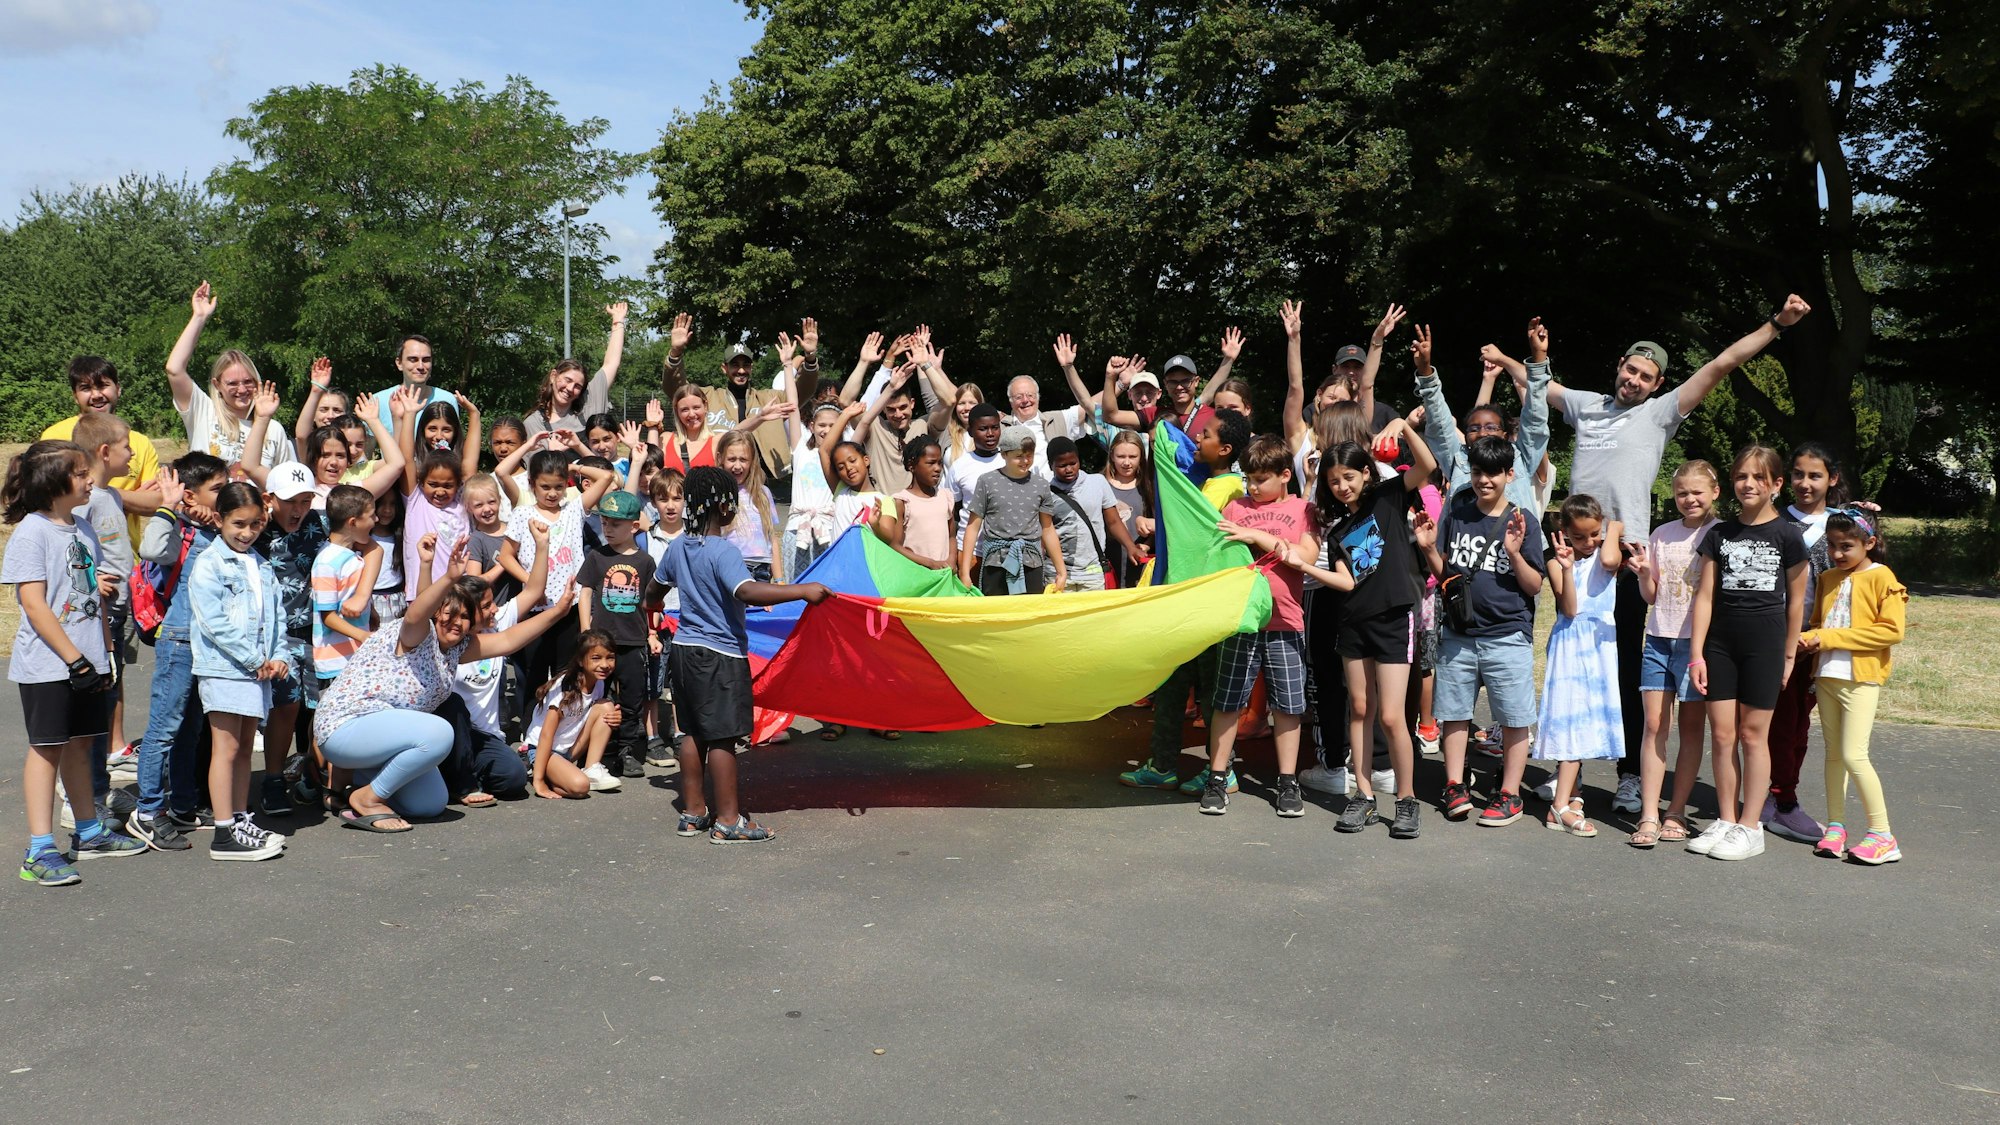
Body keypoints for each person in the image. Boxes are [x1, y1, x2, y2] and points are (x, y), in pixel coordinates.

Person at [1547, 293, 1813, 816]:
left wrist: (1777, 324)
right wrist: (1510, 359)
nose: (1634, 379)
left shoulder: (1659, 413)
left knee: (1629, 668)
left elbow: (1722, 364)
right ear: (1619, 366)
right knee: (1576, 663)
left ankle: (1629, 775)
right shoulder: (1586, 405)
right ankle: (1567, 778)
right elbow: (1536, 383)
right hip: (1577, 554)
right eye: (1630, 369)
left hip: (1629, 555)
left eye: (1646, 376)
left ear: (1658, 383)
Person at [314, 537, 576, 832]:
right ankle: (368, 799)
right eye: (450, 613)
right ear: (436, 612)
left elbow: (506, 640)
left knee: (429, 803)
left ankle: (354, 786)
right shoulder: (417, 633)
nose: (456, 622)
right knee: (439, 732)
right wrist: (449, 576)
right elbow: (416, 613)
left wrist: (558, 611)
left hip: (380, 741)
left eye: (465, 616)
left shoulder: (456, 647)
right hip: (346, 727)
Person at [651, 466, 832, 842]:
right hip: (720, 656)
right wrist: (801, 591)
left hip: (684, 651)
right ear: (724, 508)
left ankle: (693, 812)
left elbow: (653, 591)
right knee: (722, 738)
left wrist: (652, 611)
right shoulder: (724, 551)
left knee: (693, 733)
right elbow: (746, 591)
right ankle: (729, 821)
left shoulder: (678, 546)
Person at [5, 440, 143, 885]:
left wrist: (105, 653)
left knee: (82, 745)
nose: (89, 482)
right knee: (47, 749)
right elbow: (34, 604)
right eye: (81, 474)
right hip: (50, 666)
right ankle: (39, 850)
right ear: (54, 481)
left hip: (89, 660)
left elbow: (92, 596)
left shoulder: (82, 527)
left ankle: (89, 832)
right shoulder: (32, 532)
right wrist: (75, 660)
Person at [1322, 392, 1438, 838]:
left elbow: (1427, 466)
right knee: (1359, 708)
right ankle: (1364, 796)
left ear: (1366, 473)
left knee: (1391, 716)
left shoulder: (1390, 496)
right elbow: (1346, 581)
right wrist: (1299, 562)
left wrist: (1403, 426)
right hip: (1353, 624)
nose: (1342, 486)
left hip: (1393, 617)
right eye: (1334, 481)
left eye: (1349, 476)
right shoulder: (1338, 531)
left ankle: (1406, 799)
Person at [1687, 445, 1810, 862]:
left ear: (1777, 484)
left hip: (1766, 646)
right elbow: (1705, 597)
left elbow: (1796, 602)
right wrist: (1697, 654)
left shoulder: (1788, 536)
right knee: (1722, 735)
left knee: (1752, 735)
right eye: (1742, 476)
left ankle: (1750, 825)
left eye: (1759, 477)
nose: (1749, 484)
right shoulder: (1718, 534)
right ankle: (1726, 819)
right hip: (1720, 645)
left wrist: (1788, 655)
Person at [1200, 435, 1334, 817]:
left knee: (1288, 706)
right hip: (1240, 622)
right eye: (1249, 479)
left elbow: (1304, 557)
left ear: (1285, 475)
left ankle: (1287, 782)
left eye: (1261, 479)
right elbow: (1212, 553)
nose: (1253, 487)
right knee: (1228, 702)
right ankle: (1217, 777)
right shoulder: (1234, 507)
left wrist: (1256, 536)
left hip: (1285, 621)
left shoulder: (1303, 510)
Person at [1416, 435, 1546, 828]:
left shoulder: (1524, 521)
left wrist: (1513, 553)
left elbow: (1534, 586)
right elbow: (1446, 574)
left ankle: (1509, 793)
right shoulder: (1457, 513)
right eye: (1477, 472)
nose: (1483, 480)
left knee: (1513, 718)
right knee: (1454, 714)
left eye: (1493, 473)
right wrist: (1428, 548)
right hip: (1459, 633)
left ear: (1510, 475)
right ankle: (1454, 784)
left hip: (1507, 634)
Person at [1118, 407, 1249, 793]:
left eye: (1205, 435)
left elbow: (1193, 529)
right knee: (1174, 686)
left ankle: (1220, 769)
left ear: (1224, 449)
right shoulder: (1211, 481)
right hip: (1189, 601)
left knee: (1208, 691)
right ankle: (1164, 765)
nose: (1196, 441)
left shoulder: (1228, 488)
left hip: (1205, 603)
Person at [125, 453, 229, 853]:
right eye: (217, 489)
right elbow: (152, 550)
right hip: (179, 640)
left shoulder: (217, 528)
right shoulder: (179, 529)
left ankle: (183, 805)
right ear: (191, 494)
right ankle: (148, 811)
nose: (224, 494)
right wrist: (169, 507)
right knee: (164, 728)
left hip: (206, 644)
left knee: (190, 730)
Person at [1796, 508, 1907, 865]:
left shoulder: (1882, 576)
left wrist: (1827, 638)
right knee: (1833, 755)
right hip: (1827, 677)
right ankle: (1836, 827)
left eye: (1846, 546)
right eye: (1832, 545)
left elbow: (1891, 631)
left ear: (1869, 543)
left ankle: (1883, 835)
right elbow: (1819, 623)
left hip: (1861, 679)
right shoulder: (1828, 578)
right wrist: (1809, 640)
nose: (1837, 553)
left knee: (1854, 755)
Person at [188, 481, 289, 861]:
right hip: (225, 669)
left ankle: (241, 818)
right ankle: (224, 831)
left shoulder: (261, 564)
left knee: (246, 747)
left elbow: (276, 617)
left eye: (255, 524)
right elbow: (212, 621)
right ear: (219, 520)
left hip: (257, 671)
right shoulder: (209, 563)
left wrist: (279, 655)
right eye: (238, 524)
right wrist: (253, 658)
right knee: (226, 748)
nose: (247, 533)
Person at [1763, 442, 1852, 844]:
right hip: (1778, 640)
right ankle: (1780, 801)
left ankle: (1778, 795)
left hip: (1823, 643)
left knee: (1801, 726)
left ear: (1832, 479)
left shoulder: (1845, 525)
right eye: (1798, 474)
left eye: (1815, 475)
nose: (1805, 483)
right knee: (1779, 726)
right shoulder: (1774, 520)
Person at [1632, 460, 1721, 848]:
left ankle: (1676, 811)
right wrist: (1642, 574)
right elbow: (1652, 595)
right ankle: (1649, 813)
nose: (1690, 499)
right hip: (1657, 639)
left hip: (1696, 645)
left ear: (1715, 492)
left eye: (1697, 492)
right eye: (1682, 493)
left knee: (1690, 728)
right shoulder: (1662, 534)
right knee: (1654, 726)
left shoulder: (1721, 533)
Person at [498, 444, 617, 710]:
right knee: (534, 674)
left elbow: (606, 476)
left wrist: (572, 466)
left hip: (569, 608)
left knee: (567, 672)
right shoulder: (522, 514)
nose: (552, 493)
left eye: (559, 486)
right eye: (545, 487)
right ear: (532, 484)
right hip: (535, 609)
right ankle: (531, 727)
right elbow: (505, 556)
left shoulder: (574, 510)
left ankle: (563, 724)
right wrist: (532, 584)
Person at [1536, 495, 1625, 837]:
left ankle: (1571, 794)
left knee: (1586, 719)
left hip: (1599, 644)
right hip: (1571, 644)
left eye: (1594, 534)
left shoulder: (1606, 553)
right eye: (1579, 536)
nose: (1588, 542)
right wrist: (1567, 567)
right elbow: (1570, 609)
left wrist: (1613, 529)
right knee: (1572, 719)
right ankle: (1559, 806)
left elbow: (1611, 558)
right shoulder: (1556, 562)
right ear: (1564, 532)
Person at [248, 462, 328, 818]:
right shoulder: (254, 529)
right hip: (276, 636)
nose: (298, 510)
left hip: (320, 631)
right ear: (269, 499)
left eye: (305, 500)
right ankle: (273, 780)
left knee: (322, 707)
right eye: (290, 501)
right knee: (286, 704)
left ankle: (313, 774)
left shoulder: (322, 523)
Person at [70, 412, 137, 815]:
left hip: (118, 611)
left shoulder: (111, 494)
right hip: (101, 613)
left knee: (108, 696)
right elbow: (72, 548)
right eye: (128, 446)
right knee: (97, 701)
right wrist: (94, 579)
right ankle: (83, 793)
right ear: (106, 451)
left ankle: (99, 785)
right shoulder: (87, 499)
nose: (133, 454)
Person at [575, 491, 663, 782]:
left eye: (615, 524)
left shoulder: (645, 561)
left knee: (632, 699)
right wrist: (586, 630)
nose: (608, 529)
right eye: (605, 523)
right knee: (595, 696)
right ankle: (593, 748)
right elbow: (585, 592)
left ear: (634, 527)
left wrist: (652, 633)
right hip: (601, 642)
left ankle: (627, 750)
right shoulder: (597, 556)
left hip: (633, 641)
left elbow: (651, 602)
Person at [164, 281, 295, 471]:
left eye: (248, 382)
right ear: (217, 384)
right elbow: (174, 369)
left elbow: (283, 482)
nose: (242, 389)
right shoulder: (204, 413)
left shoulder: (273, 429)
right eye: (232, 383)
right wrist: (199, 317)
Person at [40, 356, 163, 547]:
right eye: (86, 388)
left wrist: (99, 494)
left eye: (103, 385)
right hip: (70, 554)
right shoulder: (55, 437)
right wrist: (128, 498)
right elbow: (48, 498)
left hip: (125, 556)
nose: (96, 395)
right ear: (75, 396)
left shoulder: (139, 443)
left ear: (118, 389)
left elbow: (157, 502)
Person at [662, 312, 795, 481]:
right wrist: (675, 353)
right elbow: (677, 390)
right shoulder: (709, 396)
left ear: (752, 367)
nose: (741, 370)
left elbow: (798, 397)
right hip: (721, 479)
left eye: (746, 364)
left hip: (766, 480)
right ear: (724, 368)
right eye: (735, 364)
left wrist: (804, 361)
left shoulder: (769, 398)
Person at [959, 425, 1066, 595]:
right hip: (995, 562)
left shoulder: (1041, 485)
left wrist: (1061, 570)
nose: (1025, 461)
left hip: (1031, 561)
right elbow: (973, 527)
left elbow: (1047, 528)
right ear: (1004, 454)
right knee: (996, 609)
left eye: (1029, 455)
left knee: (1029, 610)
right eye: (1019, 456)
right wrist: (964, 571)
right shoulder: (987, 482)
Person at [396, 388, 479, 599]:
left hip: (460, 592)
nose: (440, 491)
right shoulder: (416, 497)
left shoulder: (460, 496)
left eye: (448, 485)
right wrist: (410, 414)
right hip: (423, 593)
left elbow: (470, 464)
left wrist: (474, 415)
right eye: (433, 484)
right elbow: (406, 459)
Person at [524, 630, 623, 798]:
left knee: (607, 707)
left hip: (569, 750)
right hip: (542, 750)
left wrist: (614, 717)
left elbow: (593, 717)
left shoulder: (598, 682)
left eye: (610, 657)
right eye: (596, 658)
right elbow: (546, 734)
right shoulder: (565, 687)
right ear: (580, 661)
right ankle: (543, 773)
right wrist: (539, 781)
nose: (605, 664)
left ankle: (592, 768)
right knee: (581, 787)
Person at [311, 485, 385, 710]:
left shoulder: (350, 554)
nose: (376, 520)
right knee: (336, 716)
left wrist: (370, 611)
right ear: (353, 522)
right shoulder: (327, 561)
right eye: (371, 515)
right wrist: (362, 636)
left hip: (354, 657)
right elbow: (328, 617)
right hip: (335, 661)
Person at [1046, 436, 1145, 591]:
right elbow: (1045, 532)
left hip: (1092, 572)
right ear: (1050, 465)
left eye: (1073, 463)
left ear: (1079, 460)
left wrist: (1130, 547)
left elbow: (1113, 521)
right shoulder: (1045, 493)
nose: (1069, 469)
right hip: (1058, 573)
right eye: (1062, 465)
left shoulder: (1097, 482)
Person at [522, 301, 629, 438]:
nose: (570, 388)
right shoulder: (534, 424)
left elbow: (611, 363)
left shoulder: (590, 403)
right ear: (553, 376)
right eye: (567, 380)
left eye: (578, 386)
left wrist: (618, 321)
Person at [296, 391, 404, 508]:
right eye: (325, 455)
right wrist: (315, 390)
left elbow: (396, 463)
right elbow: (302, 436)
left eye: (340, 456)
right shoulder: (301, 489)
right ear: (313, 458)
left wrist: (373, 421)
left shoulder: (351, 494)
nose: (333, 462)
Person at [716, 430, 783, 582]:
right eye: (731, 459)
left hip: (762, 568)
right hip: (731, 566)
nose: (737, 466)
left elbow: (772, 538)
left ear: (752, 461)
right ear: (720, 459)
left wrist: (779, 580)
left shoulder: (763, 493)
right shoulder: (717, 493)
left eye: (743, 459)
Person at [945, 404, 1006, 548]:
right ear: (970, 431)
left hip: (1004, 549)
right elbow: (952, 510)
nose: (990, 433)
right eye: (983, 429)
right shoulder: (959, 467)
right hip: (969, 549)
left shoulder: (1009, 461)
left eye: (995, 427)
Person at [891, 436, 954, 571]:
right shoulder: (902, 501)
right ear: (912, 465)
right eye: (931, 463)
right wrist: (930, 563)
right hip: (916, 575)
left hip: (944, 574)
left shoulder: (945, 497)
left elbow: (951, 536)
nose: (937, 468)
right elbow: (895, 546)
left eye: (940, 463)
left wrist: (952, 559)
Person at [372, 334, 454, 433]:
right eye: (413, 359)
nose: (420, 366)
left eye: (426, 360)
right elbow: (366, 443)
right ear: (399, 363)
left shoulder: (447, 400)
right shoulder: (377, 402)